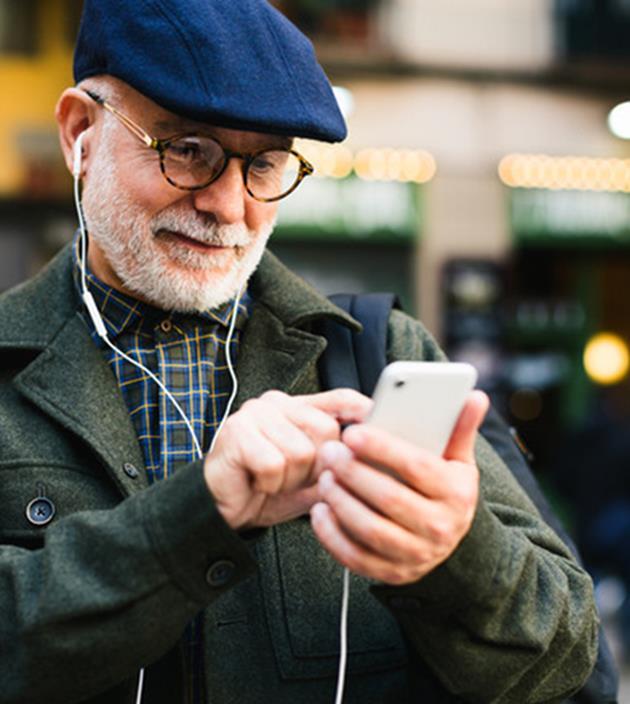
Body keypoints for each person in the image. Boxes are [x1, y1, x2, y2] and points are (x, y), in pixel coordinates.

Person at [0, 1, 599, 703]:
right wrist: (201, 513)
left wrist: (456, 553)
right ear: (80, 134)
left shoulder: (380, 355)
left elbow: (566, 657)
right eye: (188, 149)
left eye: (267, 164)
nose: (228, 204)